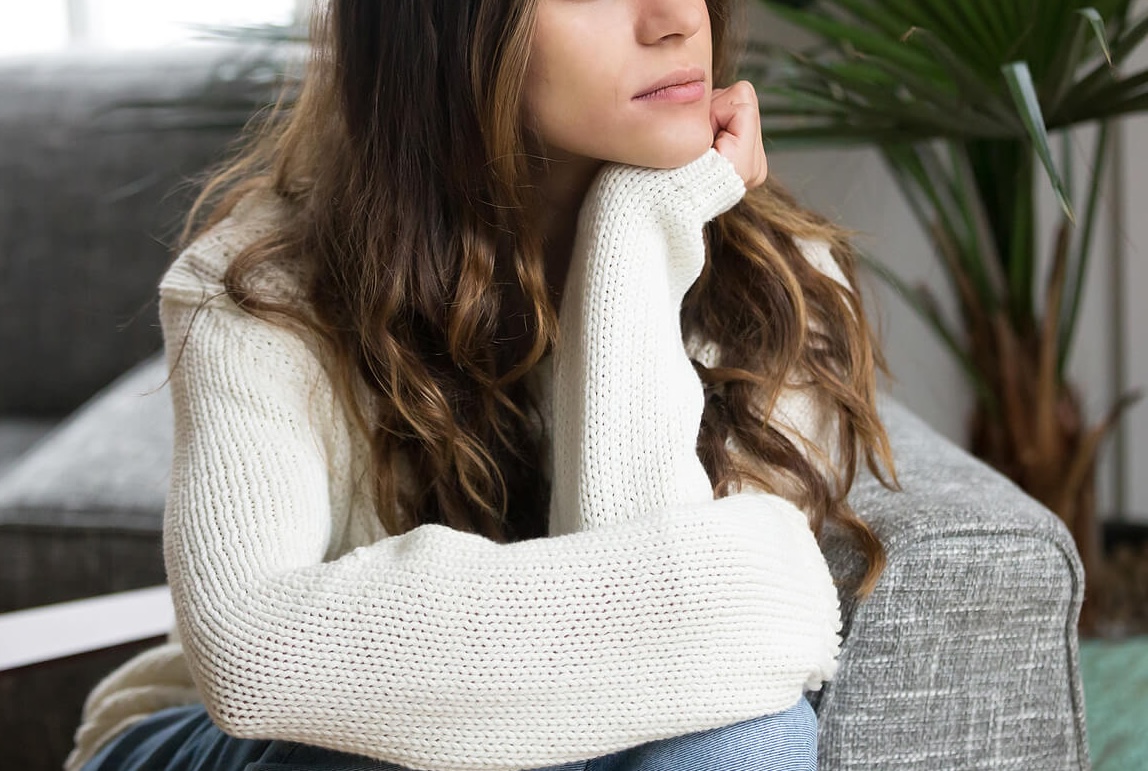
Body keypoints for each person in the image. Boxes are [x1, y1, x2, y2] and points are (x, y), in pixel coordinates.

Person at [66, 0, 900, 769]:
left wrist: (635, 239)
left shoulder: (780, 287)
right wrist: (739, 600)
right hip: (239, 742)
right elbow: (252, 656)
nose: (676, 18)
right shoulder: (257, 287)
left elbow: (672, 677)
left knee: (741, 729)